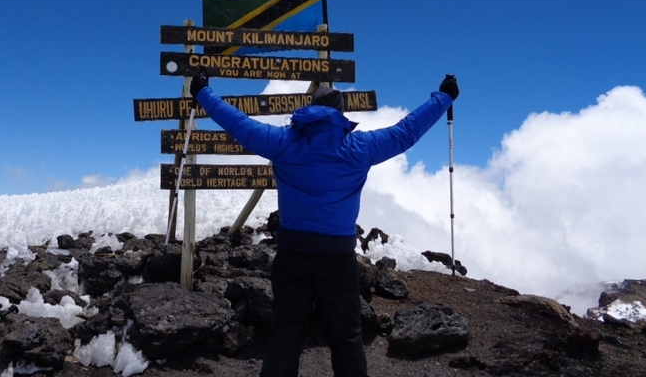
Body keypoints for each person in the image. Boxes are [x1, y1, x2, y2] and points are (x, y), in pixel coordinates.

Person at [190, 72, 459, 377]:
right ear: (339, 113)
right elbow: (405, 132)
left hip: (292, 256)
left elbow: (238, 124)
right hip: (338, 259)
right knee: (346, 336)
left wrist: (203, 93)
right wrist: (444, 97)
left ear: (312, 109)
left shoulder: (283, 141)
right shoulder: (360, 147)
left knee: (286, 335)